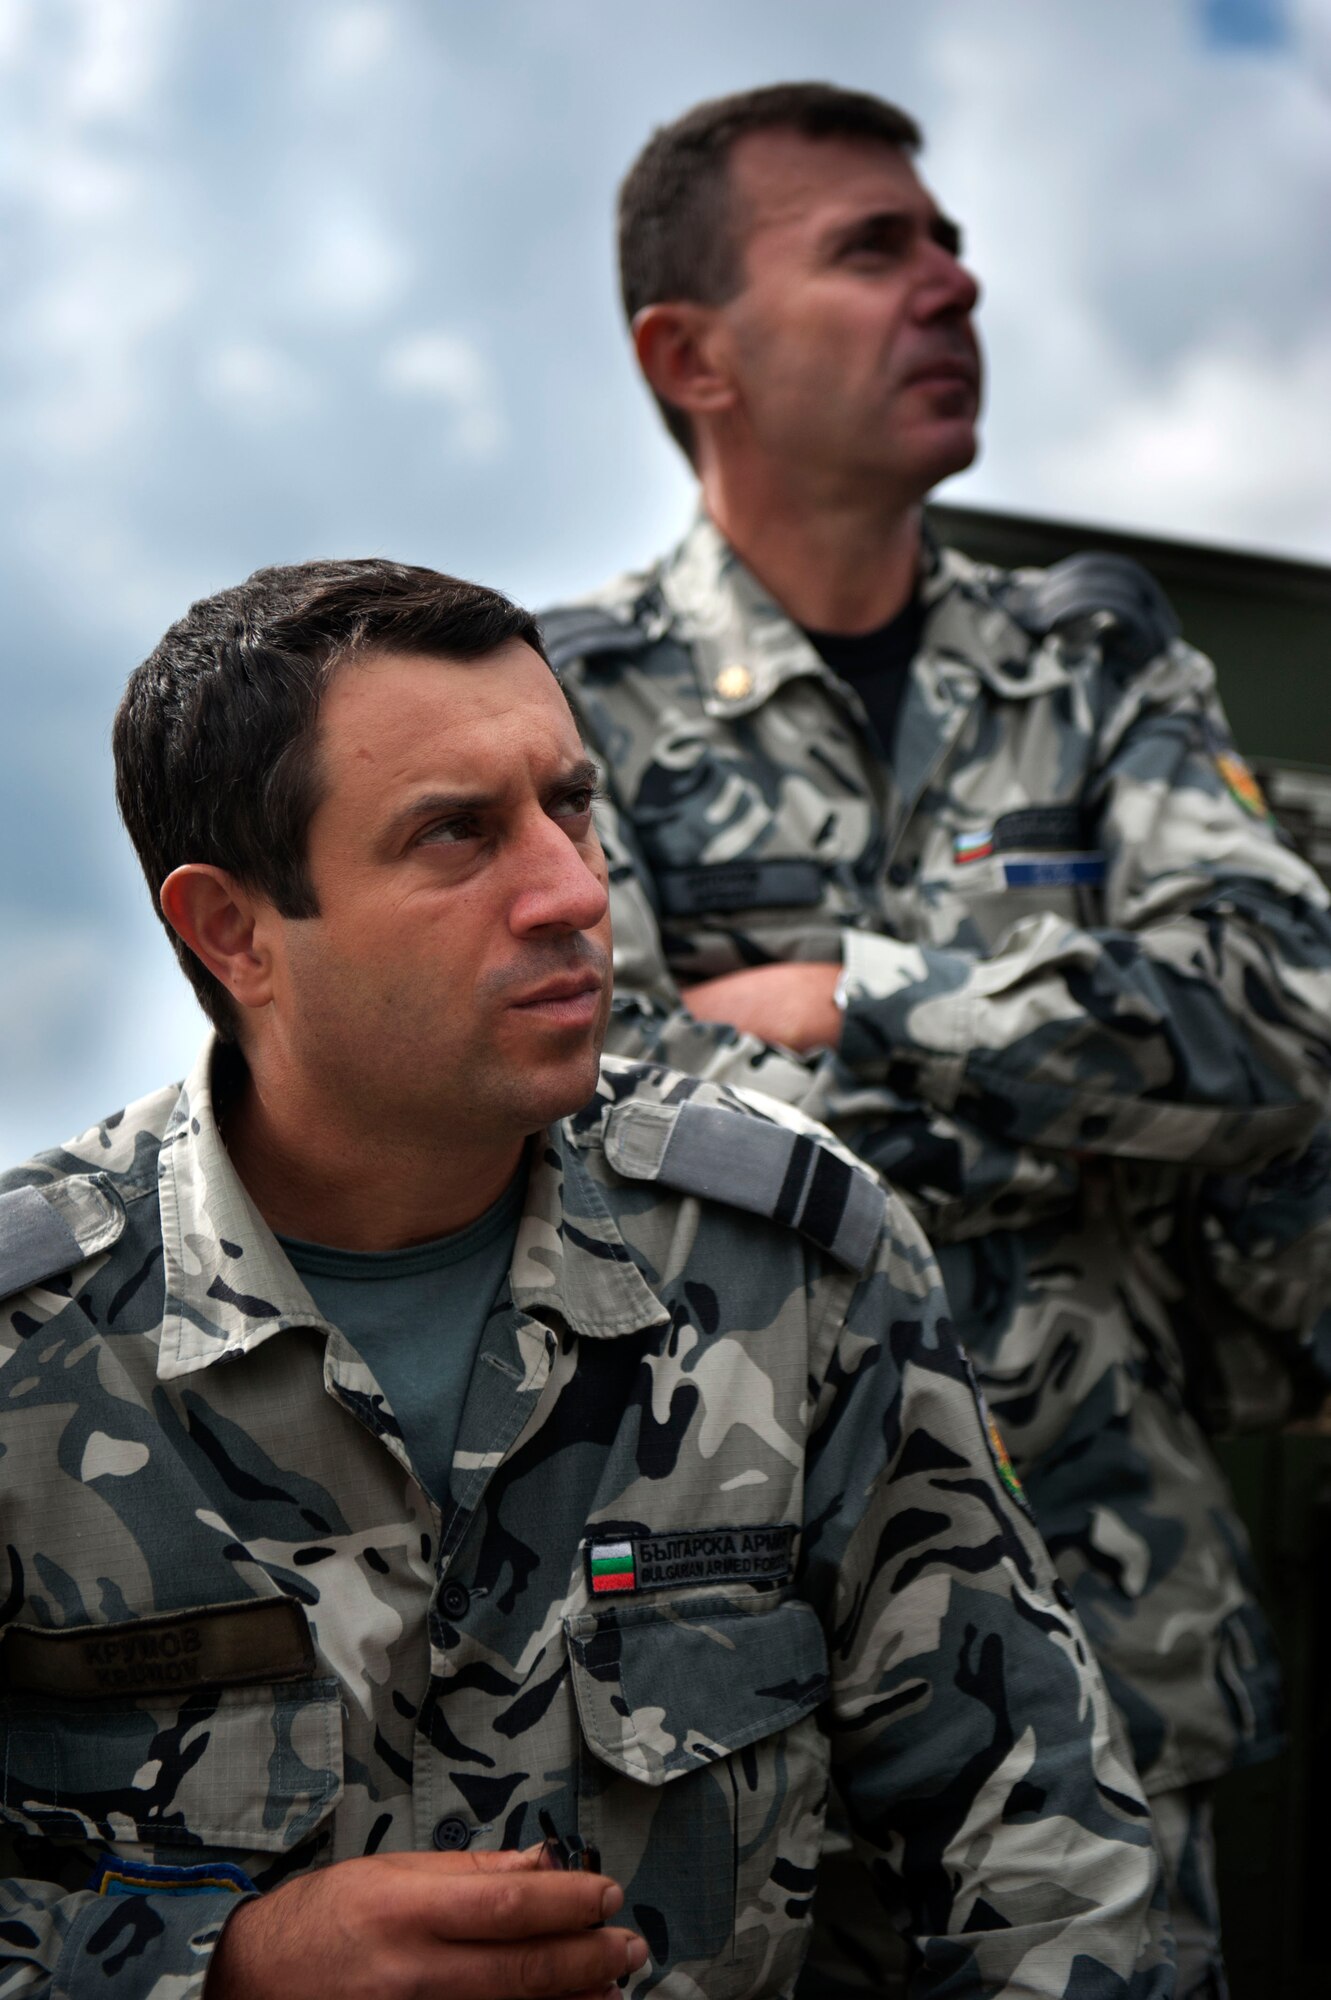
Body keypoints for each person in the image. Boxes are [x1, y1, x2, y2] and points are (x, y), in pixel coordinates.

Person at [0, 556, 1171, 1998]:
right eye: (455, 835)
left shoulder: (787, 1262)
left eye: (571, 806)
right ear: (231, 930)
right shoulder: (31, 1346)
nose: (571, 890)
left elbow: (1043, 1856)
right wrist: (224, 1970)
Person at [540, 82, 1331, 1997]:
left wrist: (862, 996)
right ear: (690, 354)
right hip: (723, 1688)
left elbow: (1280, 1012)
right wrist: (1090, 1104)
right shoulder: (565, 698)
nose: (953, 282)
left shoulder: (1092, 662)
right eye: (873, 247)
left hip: (1112, 1657)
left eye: (951, 239)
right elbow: (591, 1120)